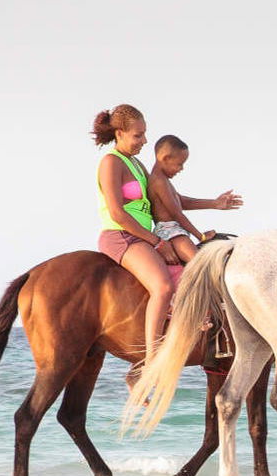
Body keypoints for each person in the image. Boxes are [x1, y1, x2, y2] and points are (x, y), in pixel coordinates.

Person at [93, 104, 174, 363]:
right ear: (119, 133)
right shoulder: (111, 163)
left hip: (141, 237)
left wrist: (214, 203)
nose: (145, 140)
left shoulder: (136, 164)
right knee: (162, 287)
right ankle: (152, 360)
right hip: (120, 236)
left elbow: (168, 198)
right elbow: (117, 213)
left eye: (144, 134)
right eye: (138, 135)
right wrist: (157, 242)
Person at [147, 135, 243, 263]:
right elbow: (177, 214)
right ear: (166, 158)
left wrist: (215, 203)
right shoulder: (159, 181)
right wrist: (200, 236)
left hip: (176, 229)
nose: (181, 169)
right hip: (170, 231)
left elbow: (182, 202)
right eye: (179, 164)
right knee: (199, 264)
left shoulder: (164, 181)